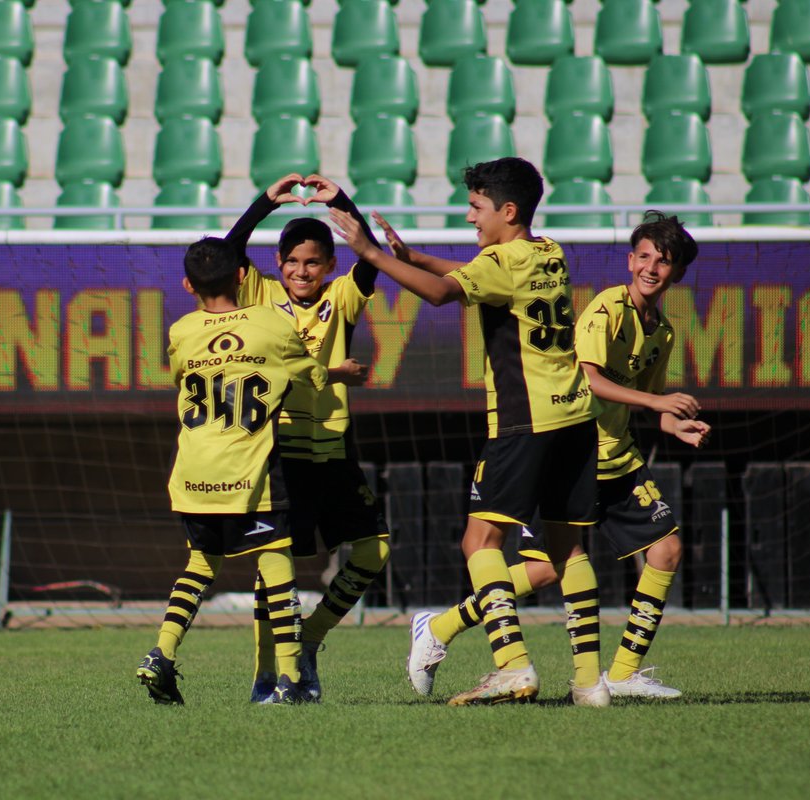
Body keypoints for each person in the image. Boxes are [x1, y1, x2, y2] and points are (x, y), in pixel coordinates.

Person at [330, 157, 609, 706]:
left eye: (478, 207)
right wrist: (413, 257)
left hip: (524, 420)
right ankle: (589, 683)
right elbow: (485, 272)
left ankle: (512, 667)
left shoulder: (501, 260)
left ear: (508, 210)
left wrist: (373, 255)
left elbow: (442, 294)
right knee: (567, 550)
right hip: (576, 416)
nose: (469, 215)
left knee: (479, 541)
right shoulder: (549, 251)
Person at [405, 211, 711, 700]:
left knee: (666, 549)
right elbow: (587, 378)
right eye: (646, 257)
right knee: (549, 567)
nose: (653, 268)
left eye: (665, 262)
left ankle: (623, 672)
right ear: (631, 261)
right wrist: (656, 403)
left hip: (618, 458)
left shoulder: (663, 331)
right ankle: (441, 626)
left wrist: (672, 421)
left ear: (678, 273)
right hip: (573, 445)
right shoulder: (606, 310)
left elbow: (642, 395)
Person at [136, 236, 367, 705]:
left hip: (193, 474)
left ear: (186, 285)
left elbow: (182, 372)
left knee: (200, 566)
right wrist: (339, 372)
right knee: (276, 563)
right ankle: (290, 679)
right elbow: (311, 374)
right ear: (243, 276)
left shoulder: (180, 331)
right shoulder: (271, 323)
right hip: (251, 471)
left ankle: (161, 651)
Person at [224, 173, 390, 703]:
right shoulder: (259, 293)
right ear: (278, 265)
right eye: (292, 261)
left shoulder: (342, 297)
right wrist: (264, 203)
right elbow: (225, 252)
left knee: (373, 551)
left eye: (312, 261)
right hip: (279, 451)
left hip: (335, 449)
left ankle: (310, 638)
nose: (301, 271)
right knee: (275, 567)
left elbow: (371, 254)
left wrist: (340, 200)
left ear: (329, 267)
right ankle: (265, 677)